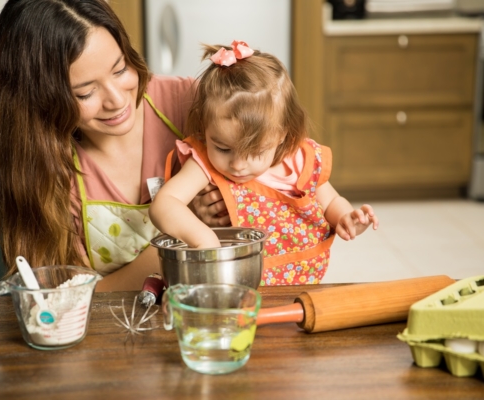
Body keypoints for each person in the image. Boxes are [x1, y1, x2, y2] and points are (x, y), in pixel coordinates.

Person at [0, 0, 227, 291]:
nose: (117, 100)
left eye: (120, 69)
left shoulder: (190, 104)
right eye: (86, 93)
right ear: (39, 101)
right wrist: (177, 241)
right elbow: (66, 299)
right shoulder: (42, 170)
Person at [150, 41, 379, 286]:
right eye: (223, 148)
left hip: (305, 285)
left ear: (282, 135)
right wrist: (203, 240)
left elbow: (331, 201)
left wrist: (346, 217)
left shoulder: (301, 160)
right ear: (205, 128)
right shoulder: (204, 163)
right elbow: (163, 204)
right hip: (236, 287)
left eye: (255, 151)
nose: (237, 165)